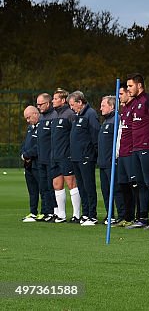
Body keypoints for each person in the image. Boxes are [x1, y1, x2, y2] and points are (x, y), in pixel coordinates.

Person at [124, 74, 149, 229]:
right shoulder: (134, 103)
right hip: (136, 148)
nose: (128, 89)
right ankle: (142, 218)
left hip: (148, 147)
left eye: (130, 86)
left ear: (139, 85)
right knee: (139, 183)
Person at [68, 91, 100, 226]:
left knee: (89, 186)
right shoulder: (77, 115)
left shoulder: (90, 114)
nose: (71, 108)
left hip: (86, 156)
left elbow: (95, 134)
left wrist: (94, 152)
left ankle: (92, 215)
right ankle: (85, 213)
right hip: (76, 157)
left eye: (72, 104)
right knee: (81, 186)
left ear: (80, 102)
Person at [50, 88, 80, 223]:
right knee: (57, 184)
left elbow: (75, 136)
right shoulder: (54, 115)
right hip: (55, 156)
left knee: (71, 184)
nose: (52, 101)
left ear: (63, 100)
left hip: (66, 155)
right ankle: (61, 214)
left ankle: (76, 214)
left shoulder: (70, 114)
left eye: (55, 98)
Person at [97, 95, 124, 225]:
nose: (100, 108)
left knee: (116, 190)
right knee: (106, 190)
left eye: (103, 105)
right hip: (103, 163)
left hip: (112, 162)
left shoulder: (116, 120)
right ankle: (110, 215)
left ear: (112, 106)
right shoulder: (106, 121)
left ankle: (121, 215)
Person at [115, 83, 137, 226]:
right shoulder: (123, 110)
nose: (119, 97)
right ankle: (125, 217)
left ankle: (134, 217)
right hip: (121, 153)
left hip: (130, 153)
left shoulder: (134, 108)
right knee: (122, 185)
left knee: (132, 186)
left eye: (121, 94)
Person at [34, 92, 57, 221]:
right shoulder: (41, 118)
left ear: (48, 103)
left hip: (50, 159)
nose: (38, 107)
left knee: (50, 186)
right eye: (37, 104)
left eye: (40, 104)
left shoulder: (54, 116)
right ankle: (46, 211)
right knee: (43, 187)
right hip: (41, 158)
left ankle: (54, 211)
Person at [21, 106, 41, 221]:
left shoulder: (42, 127)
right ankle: (33, 212)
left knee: (43, 189)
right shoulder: (30, 128)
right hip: (28, 165)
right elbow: (25, 144)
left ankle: (46, 212)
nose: (28, 120)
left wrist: (28, 154)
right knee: (32, 190)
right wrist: (23, 154)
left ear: (35, 114)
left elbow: (39, 146)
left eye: (28, 117)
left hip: (38, 163)